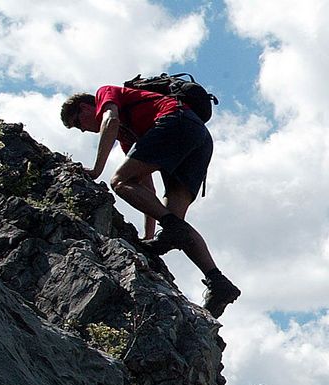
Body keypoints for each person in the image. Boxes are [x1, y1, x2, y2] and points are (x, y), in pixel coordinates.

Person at [61, 85, 240, 317]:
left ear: (85, 107)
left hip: (176, 121)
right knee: (174, 221)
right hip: (198, 137)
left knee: (119, 182)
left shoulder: (105, 93)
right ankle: (218, 281)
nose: (84, 130)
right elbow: (147, 189)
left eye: (78, 123)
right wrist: (148, 236)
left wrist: (96, 170)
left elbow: (110, 120)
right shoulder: (128, 135)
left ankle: (173, 229)